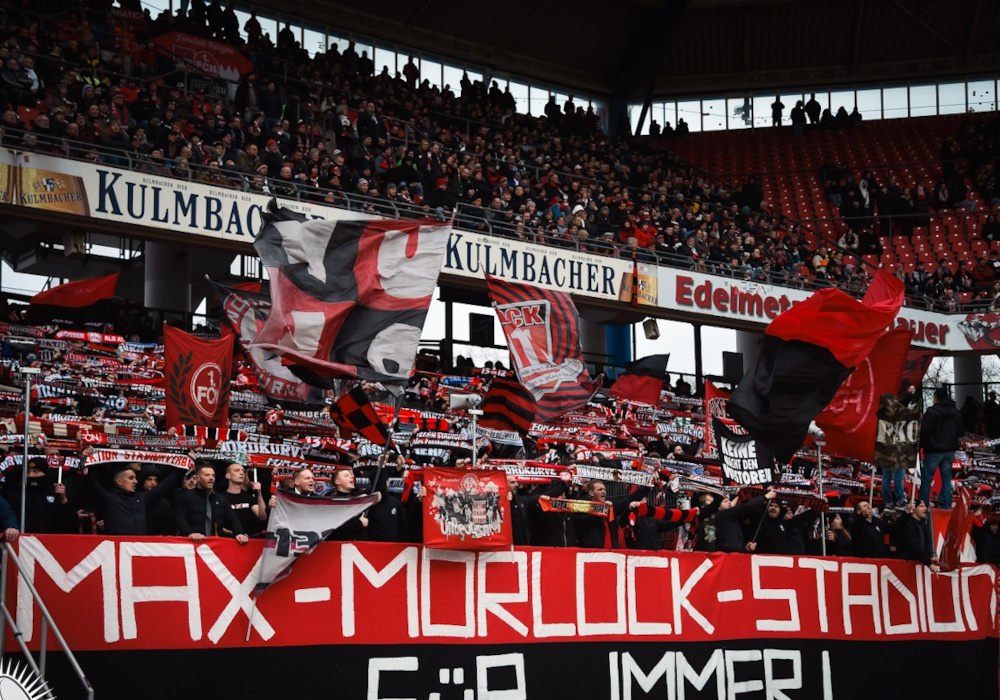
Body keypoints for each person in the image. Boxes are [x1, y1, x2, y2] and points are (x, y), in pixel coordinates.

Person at [89, 464, 182, 536]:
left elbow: (166, 484)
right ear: (119, 481)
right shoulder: (108, 498)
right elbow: (90, 481)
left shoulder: (141, 498)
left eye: (135, 478)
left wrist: (183, 464)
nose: (135, 481)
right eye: (131, 478)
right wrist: (85, 461)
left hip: (139, 548)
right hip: (117, 548)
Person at [174, 464, 248, 543]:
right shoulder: (185, 497)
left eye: (213, 475)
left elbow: (232, 519)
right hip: (191, 545)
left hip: (214, 546)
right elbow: (180, 519)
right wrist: (190, 534)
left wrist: (239, 533)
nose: (211, 478)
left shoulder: (221, 499)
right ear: (197, 478)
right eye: (207, 475)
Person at [919, 387, 964, 508]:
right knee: (946, 478)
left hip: (933, 450)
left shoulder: (932, 412)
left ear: (936, 397)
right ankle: (946, 504)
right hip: (949, 451)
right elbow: (960, 432)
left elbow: (925, 431)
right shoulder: (955, 413)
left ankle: (923, 505)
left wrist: (921, 445)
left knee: (927, 479)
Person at [7, 458, 76, 534]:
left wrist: (63, 499)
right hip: (26, 541)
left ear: (45, 473)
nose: (31, 475)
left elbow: (70, 522)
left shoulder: (55, 493)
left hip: (51, 540)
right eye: (28, 472)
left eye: (35, 471)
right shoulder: (20, 494)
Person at [221, 462, 267, 537]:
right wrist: (237, 534)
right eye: (237, 470)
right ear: (228, 475)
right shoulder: (221, 498)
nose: (241, 473)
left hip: (248, 541)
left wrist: (259, 494)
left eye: (243, 471)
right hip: (228, 541)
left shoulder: (248, 498)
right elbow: (218, 525)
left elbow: (262, 516)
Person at [892, 499, 939, 571]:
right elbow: (914, 546)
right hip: (905, 566)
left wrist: (929, 557)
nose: (925, 508)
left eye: (925, 506)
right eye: (921, 506)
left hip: (917, 565)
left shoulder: (922, 525)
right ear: (914, 509)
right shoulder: (907, 525)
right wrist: (928, 563)